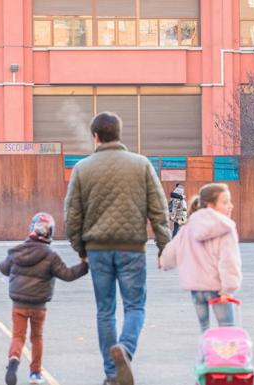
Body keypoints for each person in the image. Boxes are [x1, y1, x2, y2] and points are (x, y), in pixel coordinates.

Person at [64, 112, 170, 385]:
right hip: (132, 248)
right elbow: (158, 210)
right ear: (120, 134)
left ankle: (112, 373)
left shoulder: (82, 168)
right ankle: (126, 348)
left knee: (105, 310)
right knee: (135, 306)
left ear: (95, 136)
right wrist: (163, 245)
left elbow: (72, 215)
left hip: (97, 249)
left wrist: (80, 248)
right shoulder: (141, 165)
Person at [0, 213, 88, 385]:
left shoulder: (18, 251)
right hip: (39, 305)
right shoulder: (51, 256)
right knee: (36, 338)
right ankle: (35, 373)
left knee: (18, 337)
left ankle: (14, 360)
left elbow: (4, 268)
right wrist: (85, 265)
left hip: (18, 304)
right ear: (50, 233)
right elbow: (67, 274)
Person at [160, 183, 242, 333]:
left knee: (205, 330)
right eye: (225, 202)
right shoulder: (226, 228)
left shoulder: (188, 228)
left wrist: (164, 263)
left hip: (196, 288)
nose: (231, 205)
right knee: (227, 329)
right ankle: (222, 356)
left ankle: (205, 355)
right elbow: (229, 262)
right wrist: (228, 289)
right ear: (211, 205)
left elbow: (170, 254)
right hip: (218, 289)